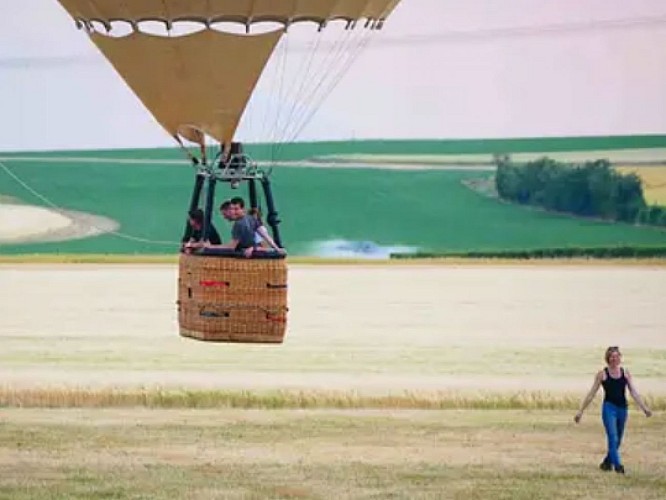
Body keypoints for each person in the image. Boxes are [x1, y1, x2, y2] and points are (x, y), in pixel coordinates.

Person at [574, 346, 652, 474]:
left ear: (620, 358)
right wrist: (580, 411)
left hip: (622, 408)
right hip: (609, 408)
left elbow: (633, 392)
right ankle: (618, 466)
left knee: (618, 439)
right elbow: (591, 393)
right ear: (607, 358)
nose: (614, 359)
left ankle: (607, 463)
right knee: (612, 436)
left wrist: (644, 408)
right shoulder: (602, 374)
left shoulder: (625, 373)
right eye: (611, 357)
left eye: (616, 356)